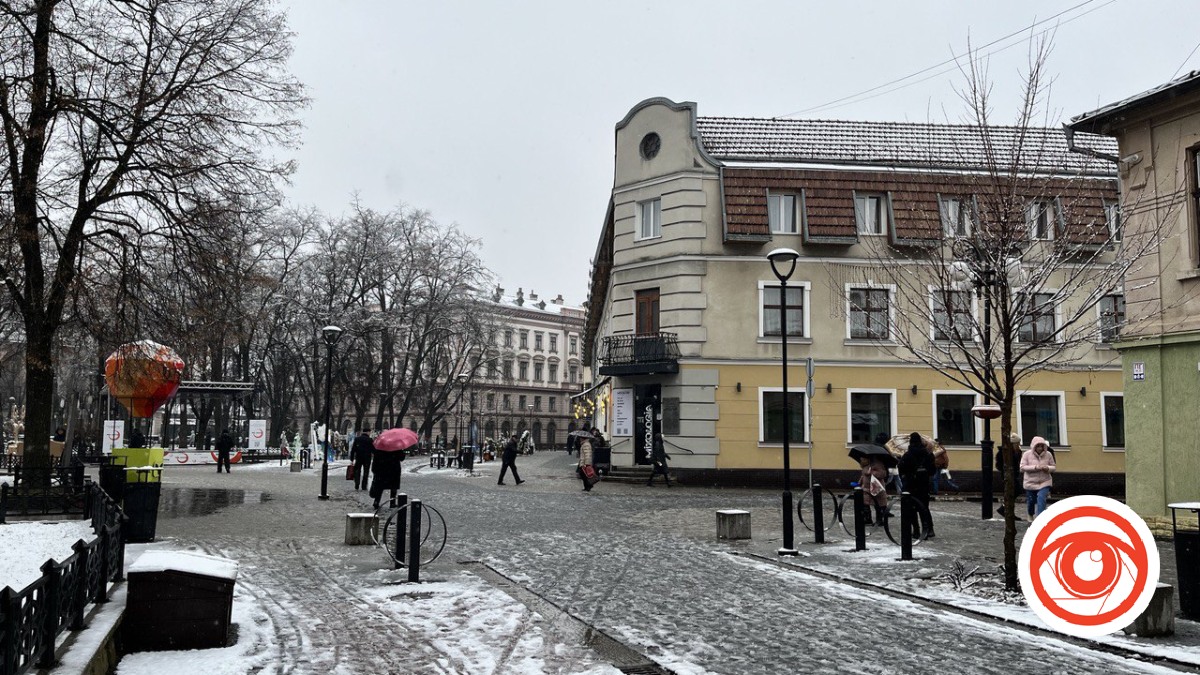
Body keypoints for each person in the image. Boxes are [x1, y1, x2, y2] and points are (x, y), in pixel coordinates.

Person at [898, 431, 935, 538]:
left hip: (910, 485)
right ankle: (928, 529)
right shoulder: (928, 454)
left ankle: (916, 530)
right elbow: (932, 471)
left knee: (912, 508)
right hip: (923, 484)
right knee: (924, 507)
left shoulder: (907, 455)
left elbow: (901, 469)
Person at [1020, 435, 1056, 519]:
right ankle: (1030, 513)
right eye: (1038, 446)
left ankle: (1040, 518)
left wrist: (1047, 468)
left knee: (1041, 498)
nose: (1040, 448)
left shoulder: (1048, 454)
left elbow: (1053, 467)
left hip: (1045, 481)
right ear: (1034, 446)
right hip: (1030, 482)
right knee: (1031, 501)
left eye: (1041, 446)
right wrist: (1035, 467)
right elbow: (1022, 467)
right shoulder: (1026, 454)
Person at [857, 455, 890, 525]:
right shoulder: (865, 466)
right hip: (866, 488)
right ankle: (867, 519)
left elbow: (883, 474)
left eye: (862, 459)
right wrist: (859, 482)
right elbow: (863, 476)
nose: (861, 461)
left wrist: (872, 472)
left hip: (876, 488)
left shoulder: (877, 464)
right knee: (865, 504)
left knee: (878, 504)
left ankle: (880, 520)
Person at [370, 444, 403, 509]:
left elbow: (375, 459)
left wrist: (374, 469)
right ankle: (392, 503)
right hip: (393, 470)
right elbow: (402, 458)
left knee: (380, 487)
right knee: (393, 487)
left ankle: (376, 501)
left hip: (382, 470)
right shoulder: (396, 447)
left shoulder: (380, 447)